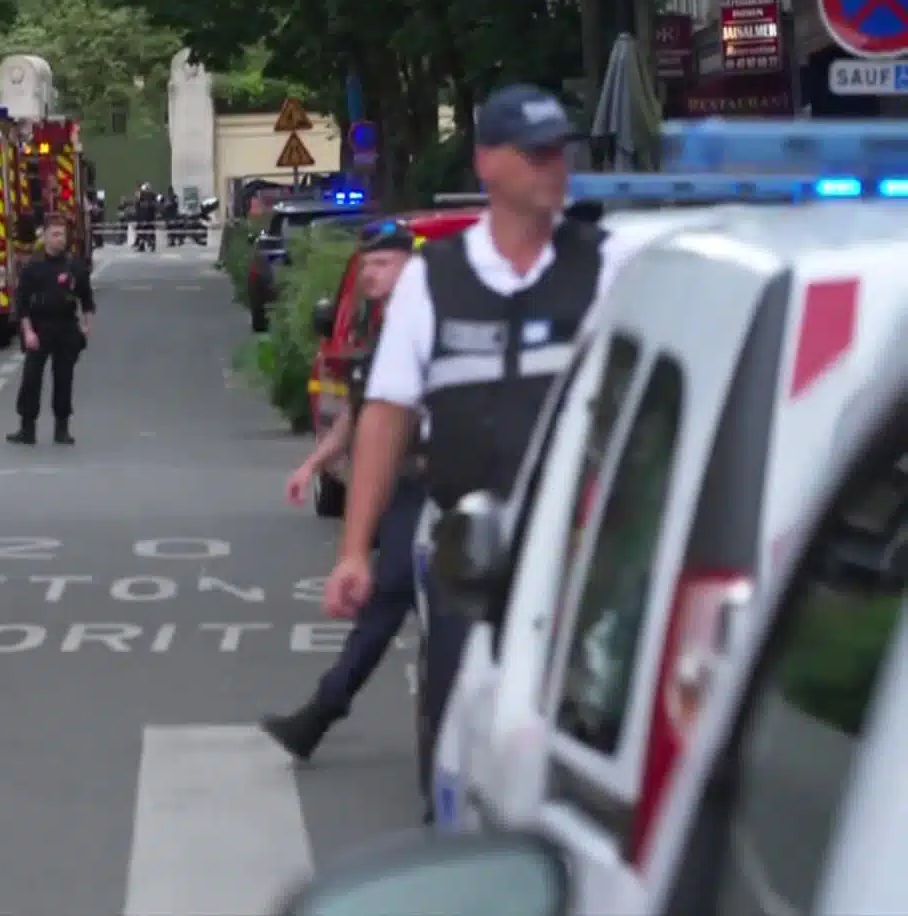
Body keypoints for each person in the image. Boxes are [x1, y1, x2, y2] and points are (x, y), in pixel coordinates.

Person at [320, 84, 641, 824]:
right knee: (458, 716)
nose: (551, 168)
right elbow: (387, 416)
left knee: (584, 733)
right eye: (533, 154)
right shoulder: (436, 281)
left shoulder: (612, 264)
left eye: (558, 152)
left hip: (583, 551)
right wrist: (355, 550)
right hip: (470, 551)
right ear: (488, 162)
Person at [258, 220, 422, 757]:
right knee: (397, 607)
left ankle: (321, 715)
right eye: (367, 265)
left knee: (392, 601)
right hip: (398, 490)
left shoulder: (430, 327)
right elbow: (360, 415)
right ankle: (321, 716)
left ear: (410, 265)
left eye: (382, 264)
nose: (370, 275)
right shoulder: (386, 331)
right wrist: (313, 465)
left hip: (430, 486)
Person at [8, 218, 94, 446]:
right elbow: (22, 303)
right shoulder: (32, 268)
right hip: (39, 327)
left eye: (62, 235)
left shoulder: (74, 266)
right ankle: (27, 429)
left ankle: (62, 428)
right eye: (55, 234)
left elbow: (86, 299)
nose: (60, 239)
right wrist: (28, 332)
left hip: (66, 327)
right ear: (44, 237)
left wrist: (86, 327)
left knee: (64, 379)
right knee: (31, 379)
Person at [134, 185, 159, 251]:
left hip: (144, 216)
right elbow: (158, 203)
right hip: (151, 216)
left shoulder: (142, 195)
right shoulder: (153, 195)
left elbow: (137, 205)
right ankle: (152, 245)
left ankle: (142, 246)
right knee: (151, 230)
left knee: (142, 231)